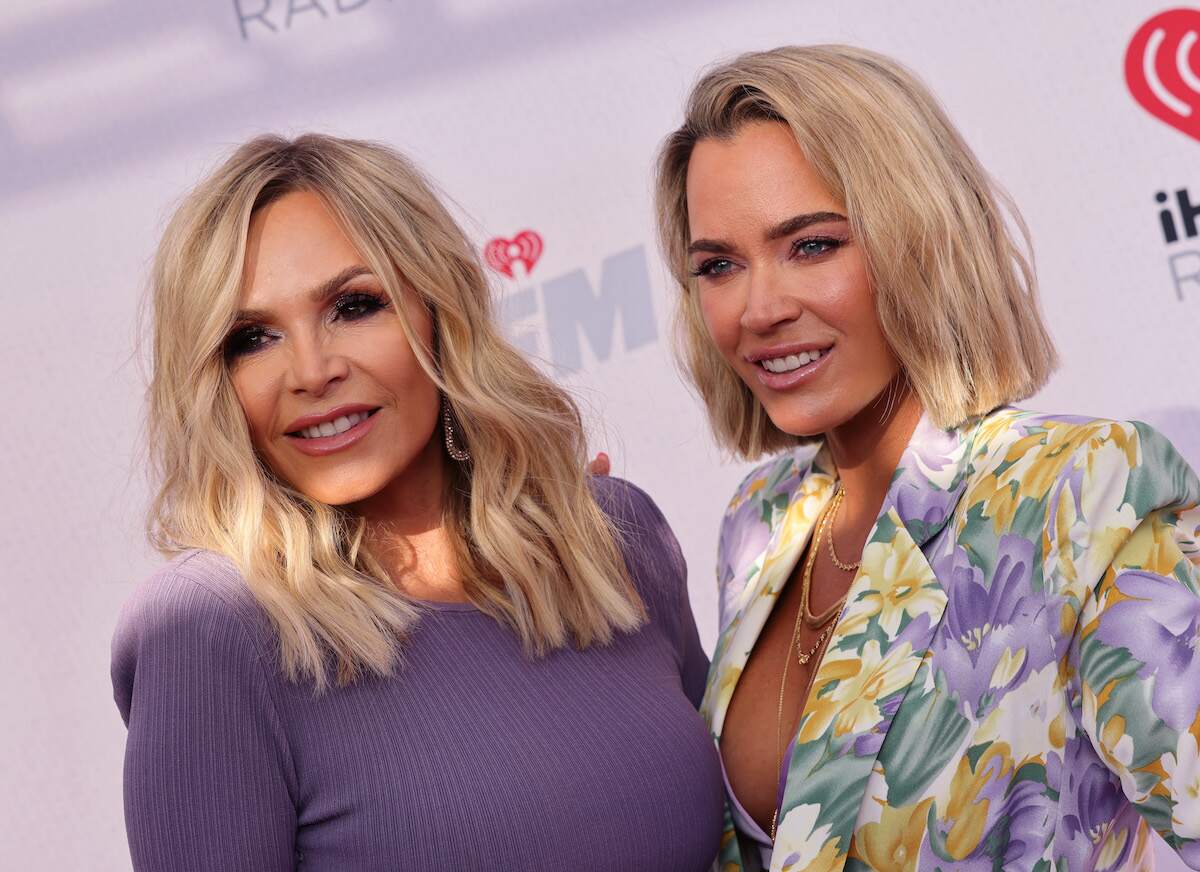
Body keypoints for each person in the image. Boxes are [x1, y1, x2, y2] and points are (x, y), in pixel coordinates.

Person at [111, 133, 723, 871]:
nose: (310, 370)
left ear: (440, 310)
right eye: (252, 337)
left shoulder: (613, 541)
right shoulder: (212, 631)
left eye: (354, 305)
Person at [654, 45, 1200, 871]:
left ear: (919, 239)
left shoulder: (1086, 490)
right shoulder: (758, 521)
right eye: (720, 265)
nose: (758, 308)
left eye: (812, 246)